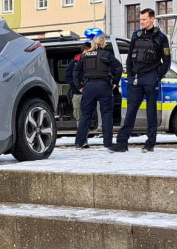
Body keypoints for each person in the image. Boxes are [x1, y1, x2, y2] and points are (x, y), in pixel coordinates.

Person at [111, 8, 171, 153]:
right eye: (141, 19)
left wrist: (157, 76)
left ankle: (150, 143)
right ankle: (121, 143)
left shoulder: (161, 37)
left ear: (152, 19)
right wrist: (130, 74)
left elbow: (167, 60)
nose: (142, 22)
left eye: (144, 19)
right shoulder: (136, 35)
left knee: (151, 112)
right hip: (136, 78)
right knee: (130, 111)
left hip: (151, 77)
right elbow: (131, 55)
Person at [73, 35, 123, 150]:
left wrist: (80, 86)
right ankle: (108, 143)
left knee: (86, 116)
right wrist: (115, 82)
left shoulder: (84, 56)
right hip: (104, 86)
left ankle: (79, 142)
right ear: (103, 43)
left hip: (89, 87)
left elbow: (76, 72)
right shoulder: (106, 55)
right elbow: (118, 68)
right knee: (106, 114)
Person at [64, 42, 90, 147]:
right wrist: (77, 86)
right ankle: (82, 140)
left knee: (87, 116)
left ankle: (84, 139)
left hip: (90, 93)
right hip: (77, 93)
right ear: (83, 51)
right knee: (79, 117)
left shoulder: (92, 62)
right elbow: (68, 77)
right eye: (88, 51)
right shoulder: (73, 63)